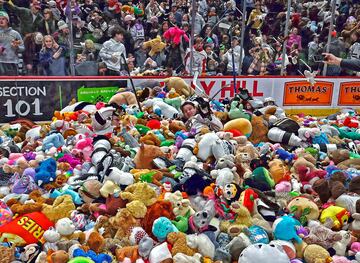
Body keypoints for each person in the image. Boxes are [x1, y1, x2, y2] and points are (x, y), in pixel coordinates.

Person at [0, 11, 24, 75]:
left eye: (3, 19)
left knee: (12, 84)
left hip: (12, 62)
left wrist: (17, 47)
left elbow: (23, 48)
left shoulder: (15, 34)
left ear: (7, 21)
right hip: (0, 62)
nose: (1, 21)